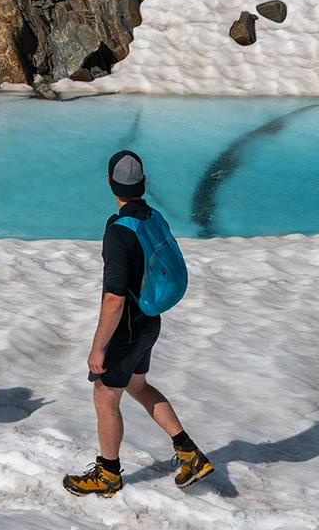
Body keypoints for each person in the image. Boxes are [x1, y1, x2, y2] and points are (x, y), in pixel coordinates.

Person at [63, 150, 214, 497]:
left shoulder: (119, 232)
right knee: (138, 386)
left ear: (109, 183)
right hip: (149, 322)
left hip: (128, 327)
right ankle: (189, 453)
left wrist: (98, 348)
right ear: (143, 183)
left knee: (104, 396)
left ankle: (108, 474)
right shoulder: (154, 217)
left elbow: (115, 298)